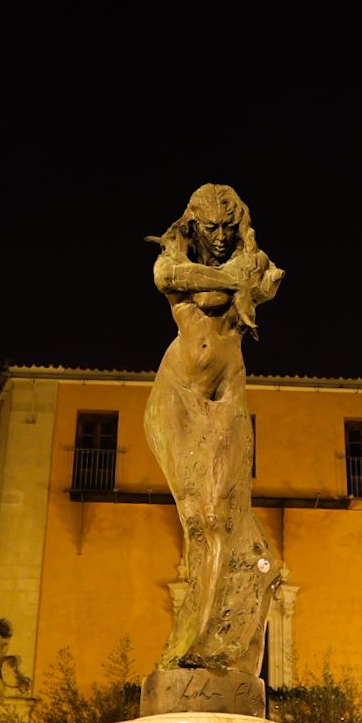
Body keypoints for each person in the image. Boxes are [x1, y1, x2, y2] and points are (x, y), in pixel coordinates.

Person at [143, 185, 284, 688]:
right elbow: (175, 279)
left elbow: (257, 282)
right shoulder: (174, 259)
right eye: (210, 228)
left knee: (220, 520)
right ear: (193, 225)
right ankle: (195, 638)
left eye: (228, 227)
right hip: (175, 395)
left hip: (225, 397)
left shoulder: (254, 261)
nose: (221, 237)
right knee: (196, 521)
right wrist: (234, 283)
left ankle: (207, 643)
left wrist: (242, 282)